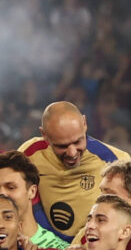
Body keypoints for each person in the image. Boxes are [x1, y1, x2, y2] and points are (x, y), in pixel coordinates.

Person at [19, 100, 119, 241]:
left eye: (78, 142)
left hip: (91, 247)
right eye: (62, 146)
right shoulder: (28, 154)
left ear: (84, 123)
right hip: (43, 245)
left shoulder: (113, 160)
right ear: (44, 134)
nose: (72, 153)